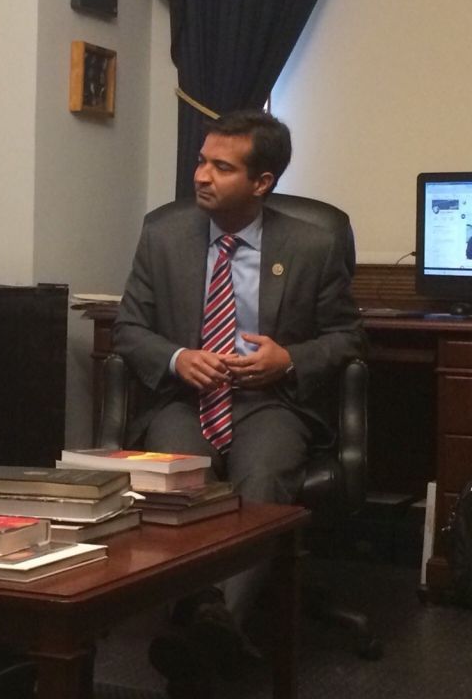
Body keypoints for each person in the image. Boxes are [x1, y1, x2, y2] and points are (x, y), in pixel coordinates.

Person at [111, 110, 364, 697]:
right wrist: (177, 357)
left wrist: (289, 359)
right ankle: (215, 625)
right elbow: (128, 328)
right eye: (201, 160)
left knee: (264, 474)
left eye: (221, 167)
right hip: (184, 400)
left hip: (267, 400)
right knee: (178, 477)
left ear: (261, 182)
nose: (201, 175)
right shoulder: (162, 234)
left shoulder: (312, 244)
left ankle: (207, 625)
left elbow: (350, 337)